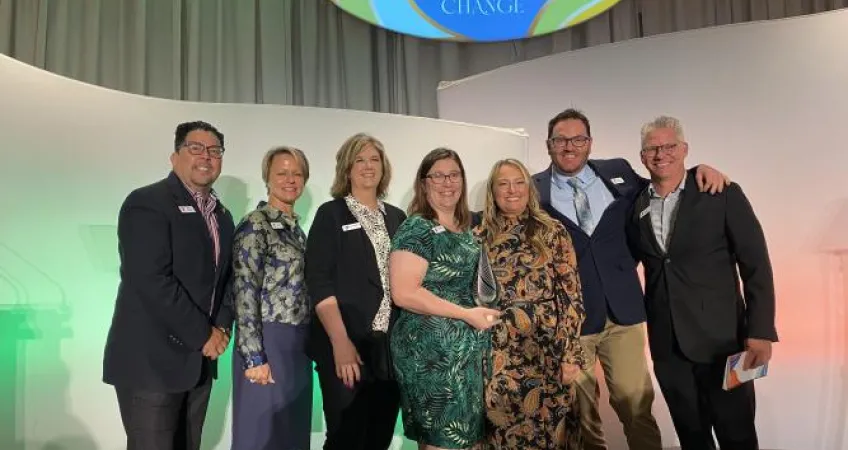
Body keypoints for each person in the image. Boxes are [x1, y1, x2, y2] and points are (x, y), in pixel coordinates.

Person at [532, 108, 729, 450]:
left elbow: (662, 181)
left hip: (622, 311)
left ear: (589, 143)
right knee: (579, 413)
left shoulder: (618, 171)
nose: (569, 147)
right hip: (570, 319)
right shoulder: (533, 190)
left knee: (635, 403)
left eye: (577, 139)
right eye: (560, 140)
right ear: (548, 145)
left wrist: (698, 170)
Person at [627, 116, 777, 450]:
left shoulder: (720, 193)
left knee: (737, 435)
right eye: (652, 148)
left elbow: (757, 266)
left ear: (684, 150)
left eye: (669, 146)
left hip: (725, 342)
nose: (660, 153)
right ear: (642, 156)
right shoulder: (634, 204)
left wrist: (761, 331)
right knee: (692, 437)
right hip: (668, 347)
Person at [102, 120, 234, 450]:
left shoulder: (222, 216)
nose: (206, 156)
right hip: (151, 363)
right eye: (196, 148)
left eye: (215, 151)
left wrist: (221, 328)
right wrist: (204, 334)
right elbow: (149, 280)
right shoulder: (147, 203)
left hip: (200, 362)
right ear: (175, 156)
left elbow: (228, 279)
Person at [389, 148, 502, 450]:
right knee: (443, 443)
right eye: (437, 176)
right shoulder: (417, 228)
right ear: (423, 184)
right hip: (431, 356)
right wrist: (466, 314)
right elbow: (404, 292)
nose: (446, 182)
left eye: (453, 175)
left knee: (470, 441)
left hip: (466, 358)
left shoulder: (467, 230)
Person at [476, 158, 587, 449]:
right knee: (501, 438)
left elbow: (572, 297)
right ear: (493, 190)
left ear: (529, 187)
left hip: (547, 353)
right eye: (503, 183)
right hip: (497, 357)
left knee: (548, 437)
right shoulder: (478, 237)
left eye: (518, 182)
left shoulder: (552, 231)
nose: (511, 190)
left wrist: (571, 355)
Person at [305, 133, 406, 450]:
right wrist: (340, 343)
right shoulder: (330, 214)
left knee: (379, 438)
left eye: (374, 159)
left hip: (389, 350)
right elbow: (318, 282)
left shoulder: (399, 218)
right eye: (359, 160)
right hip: (347, 344)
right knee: (346, 438)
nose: (367, 166)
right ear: (347, 169)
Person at [230, 146, 313, 450]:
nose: (290, 179)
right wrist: (253, 356)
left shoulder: (298, 230)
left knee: (291, 436)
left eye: (297, 173)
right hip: (268, 341)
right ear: (267, 177)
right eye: (282, 172)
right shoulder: (255, 223)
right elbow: (243, 288)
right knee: (260, 435)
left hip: (298, 346)